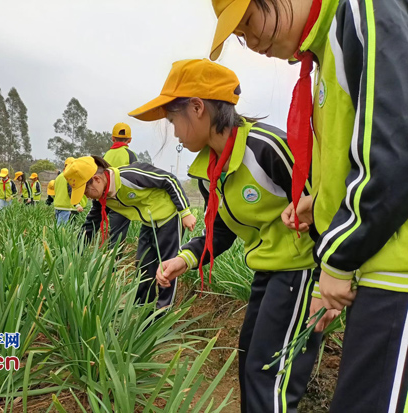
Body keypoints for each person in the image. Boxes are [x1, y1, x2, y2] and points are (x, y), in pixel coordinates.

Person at [207, 0, 408, 411]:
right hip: (377, 264)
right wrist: (318, 204)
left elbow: (395, 152)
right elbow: (358, 152)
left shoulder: (360, 11)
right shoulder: (321, 57)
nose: (252, 41)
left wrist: (336, 261)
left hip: (396, 269)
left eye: (248, 21)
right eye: (240, 36)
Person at [129, 58, 321, 412]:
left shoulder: (267, 148)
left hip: (304, 270)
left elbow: (327, 204)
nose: (174, 131)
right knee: (249, 360)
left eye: (173, 120)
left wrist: (331, 281)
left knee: (269, 375)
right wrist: (183, 259)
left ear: (197, 107)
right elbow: (220, 230)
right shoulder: (208, 169)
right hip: (268, 271)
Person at [64, 155, 196, 311]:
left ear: (97, 179)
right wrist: (75, 254)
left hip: (170, 218)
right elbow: (91, 224)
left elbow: (169, 180)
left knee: (166, 269)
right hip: (149, 222)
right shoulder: (103, 197)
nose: (86, 196)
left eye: (85, 190)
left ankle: (162, 313)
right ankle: (140, 308)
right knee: (143, 264)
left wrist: (185, 212)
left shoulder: (130, 176)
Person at [92, 122, 138, 246]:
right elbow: (135, 176)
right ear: (129, 140)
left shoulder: (105, 155)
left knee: (91, 224)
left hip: (101, 197)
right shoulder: (131, 155)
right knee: (118, 233)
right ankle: (114, 261)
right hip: (120, 199)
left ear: (112, 138)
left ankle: (78, 251)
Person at [54, 157, 84, 224]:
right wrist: (77, 205)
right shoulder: (69, 177)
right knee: (61, 230)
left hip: (57, 205)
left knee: (57, 227)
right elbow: (71, 192)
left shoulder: (59, 177)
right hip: (65, 207)